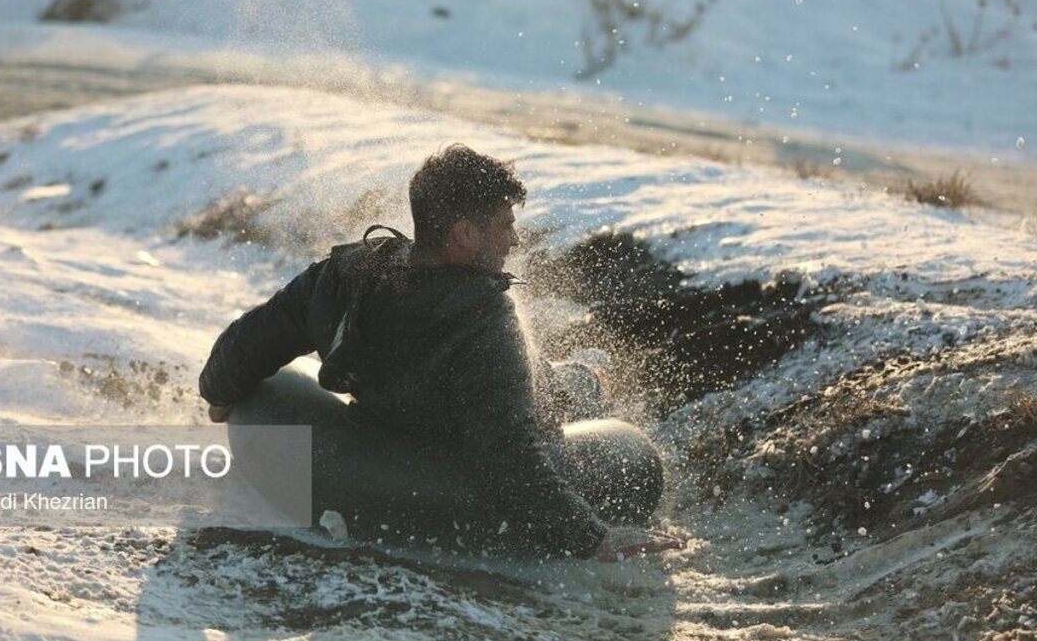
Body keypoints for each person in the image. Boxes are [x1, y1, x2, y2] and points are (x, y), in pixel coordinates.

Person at [199, 144, 681, 561]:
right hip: (463, 443)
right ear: (465, 234)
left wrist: (222, 393)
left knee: (549, 381)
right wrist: (592, 537)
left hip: (405, 418)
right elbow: (510, 458)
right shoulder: (486, 324)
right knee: (583, 415)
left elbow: (253, 336)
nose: (514, 238)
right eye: (505, 224)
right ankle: (589, 379)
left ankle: (586, 377)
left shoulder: (349, 275)